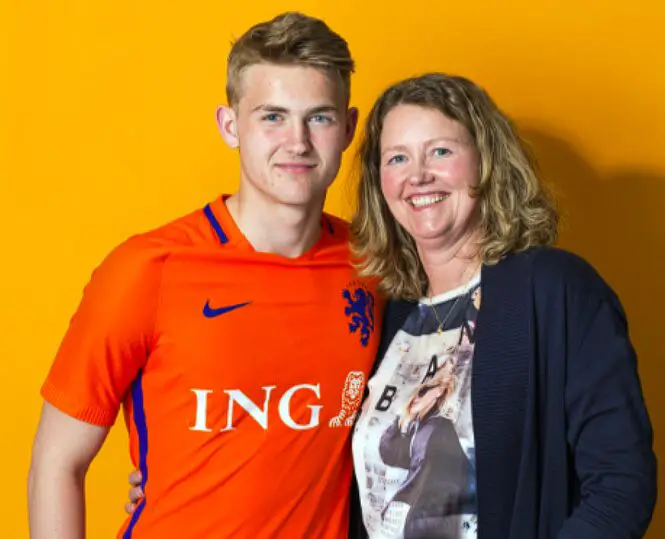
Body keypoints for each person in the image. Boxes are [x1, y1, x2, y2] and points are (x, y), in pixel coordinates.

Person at [27, 12, 384, 539]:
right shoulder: (147, 270)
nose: (297, 141)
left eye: (320, 118)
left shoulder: (376, 266)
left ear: (349, 128)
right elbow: (56, 464)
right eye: (272, 117)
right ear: (229, 125)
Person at [348, 73, 657, 539]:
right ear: (380, 182)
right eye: (397, 158)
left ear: (485, 160)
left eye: (441, 151)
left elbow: (620, 486)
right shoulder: (389, 313)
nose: (418, 175)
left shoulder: (554, 290)